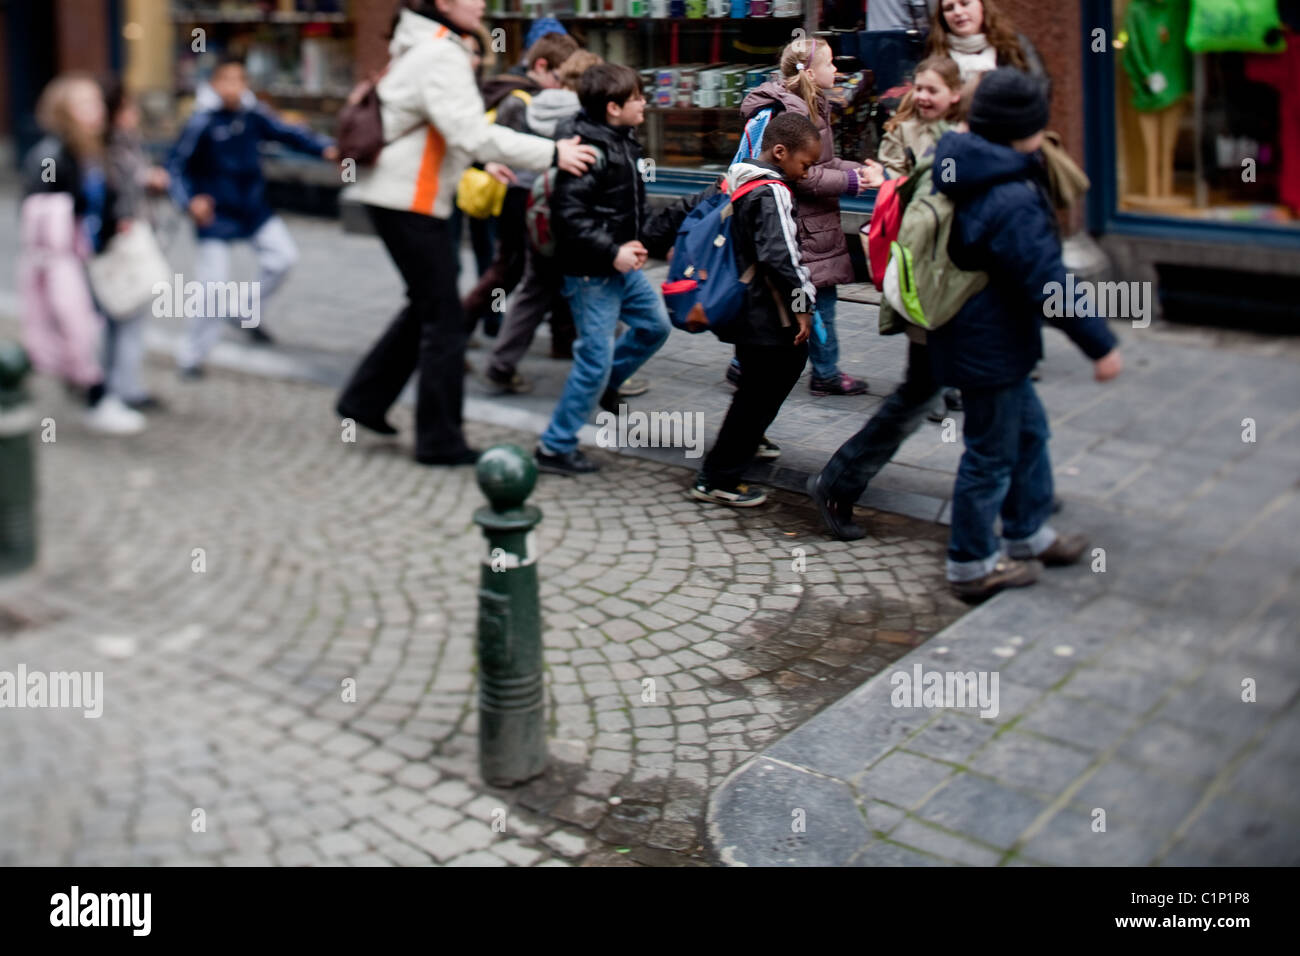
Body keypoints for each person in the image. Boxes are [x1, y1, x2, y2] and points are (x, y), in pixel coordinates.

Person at [335, 0, 595, 466]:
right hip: (409, 199)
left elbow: (448, 130)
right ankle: (439, 441)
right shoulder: (441, 53)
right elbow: (470, 132)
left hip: (397, 195)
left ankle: (363, 401)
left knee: (426, 306)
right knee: (445, 321)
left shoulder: (424, 45)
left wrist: (481, 157)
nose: (481, 3)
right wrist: (552, 153)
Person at [928, 68, 1122, 602]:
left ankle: (1027, 533)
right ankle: (970, 564)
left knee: (1030, 433)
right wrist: (1099, 345)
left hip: (984, 338)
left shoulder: (974, 164)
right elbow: (1046, 282)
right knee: (989, 455)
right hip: (988, 343)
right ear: (1025, 127)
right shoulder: (1009, 192)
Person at [533, 63, 676, 476]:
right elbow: (569, 217)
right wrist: (613, 251)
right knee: (593, 361)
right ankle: (554, 446)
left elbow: (631, 206)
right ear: (613, 107)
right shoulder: (587, 149)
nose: (644, 103)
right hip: (591, 273)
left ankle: (605, 386)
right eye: (637, 98)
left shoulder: (623, 139)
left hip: (619, 264)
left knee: (654, 327)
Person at [167, 55, 338, 377]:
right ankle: (191, 356)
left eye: (240, 80)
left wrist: (326, 149)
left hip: (252, 207)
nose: (234, 87)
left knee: (283, 258)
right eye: (226, 80)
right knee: (211, 288)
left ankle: (242, 309)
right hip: (215, 214)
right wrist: (189, 201)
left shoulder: (253, 114)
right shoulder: (201, 121)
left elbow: (288, 133)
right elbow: (176, 166)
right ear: (214, 84)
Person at [733, 37, 884, 398]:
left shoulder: (811, 104)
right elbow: (799, 174)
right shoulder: (794, 112)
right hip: (801, 223)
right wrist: (848, 181)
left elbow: (821, 163)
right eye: (830, 64)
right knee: (821, 299)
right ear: (811, 73)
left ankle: (742, 364)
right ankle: (826, 373)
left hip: (810, 221)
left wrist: (857, 171)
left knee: (785, 297)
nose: (837, 70)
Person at [691, 113, 823, 508]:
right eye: (805, 163)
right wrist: (803, 306)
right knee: (767, 382)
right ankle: (719, 476)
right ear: (780, 152)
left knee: (756, 384)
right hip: (767, 310)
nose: (806, 173)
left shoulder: (736, 177)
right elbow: (780, 255)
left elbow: (692, 210)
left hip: (740, 305)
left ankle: (746, 442)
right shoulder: (773, 191)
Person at [19, 73, 144, 434]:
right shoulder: (51, 155)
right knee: (79, 325)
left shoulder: (91, 150)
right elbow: (43, 219)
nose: (96, 111)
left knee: (103, 321)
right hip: (67, 262)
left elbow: (101, 201)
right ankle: (96, 395)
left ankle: (100, 389)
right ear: (64, 111)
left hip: (92, 255)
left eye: (95, 102)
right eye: (84, 104)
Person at [482, 49, 601, 394]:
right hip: (572, 211)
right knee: (603, 289)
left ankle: (502, 362)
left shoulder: (532, 105)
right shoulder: (584, 118)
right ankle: (609, 371)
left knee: (534, 287)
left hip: (532, 204)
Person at [462, 31, 580, 337]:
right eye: (560, 76)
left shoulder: (529, 94)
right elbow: (484, 144)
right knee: (507, 272)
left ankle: (561, 336)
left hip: (532, 196)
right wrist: (490, 163)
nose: (564, 85)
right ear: (541, 65)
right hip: (515, 197)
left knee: (537, 270)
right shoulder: (518, 100)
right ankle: (459, 328)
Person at [101, 76, 171, 411]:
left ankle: (114, 383)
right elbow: (119, 191)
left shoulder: (127, 142)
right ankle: (123, 389)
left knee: (121, 314)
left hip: (132, 234)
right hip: (124, 239)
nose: (134, 113)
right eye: (127, 107)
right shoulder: (111, 146)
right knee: (127, 312)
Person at [925, 0, 1047, 86]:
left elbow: (1038, 86)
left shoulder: (1012, 44)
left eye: (965, 3)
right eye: (949, 8)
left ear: (982, 5)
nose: (957, 12)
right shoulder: (935, 51)